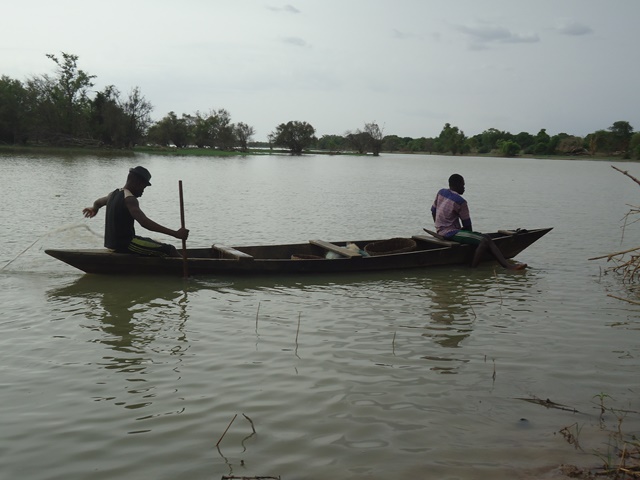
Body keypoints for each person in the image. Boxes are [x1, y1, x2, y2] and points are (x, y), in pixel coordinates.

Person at [83, 166, 189, 257]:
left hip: (112, 244)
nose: (143, 191)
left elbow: (98, 202)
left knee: (153, 242)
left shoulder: (113, 194)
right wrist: (175, 234)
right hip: (126, 245)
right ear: (137, 183)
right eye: (143, 187)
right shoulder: (130, 199)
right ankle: (190, 271)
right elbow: (144, 222)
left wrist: (94, 209)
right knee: (170, 250)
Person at [431, 174, 526, 270]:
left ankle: (504, 265)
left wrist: (438, 226)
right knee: (485, 240)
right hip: (449, 233)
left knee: (485, 237)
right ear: (457, 185)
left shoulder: (441, 192)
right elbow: (468, 226)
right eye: (463, 185)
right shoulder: (461, 201)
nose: (464, 188)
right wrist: (467, 234)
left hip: (440, 230)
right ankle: (476, 268)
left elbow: (433, 211)